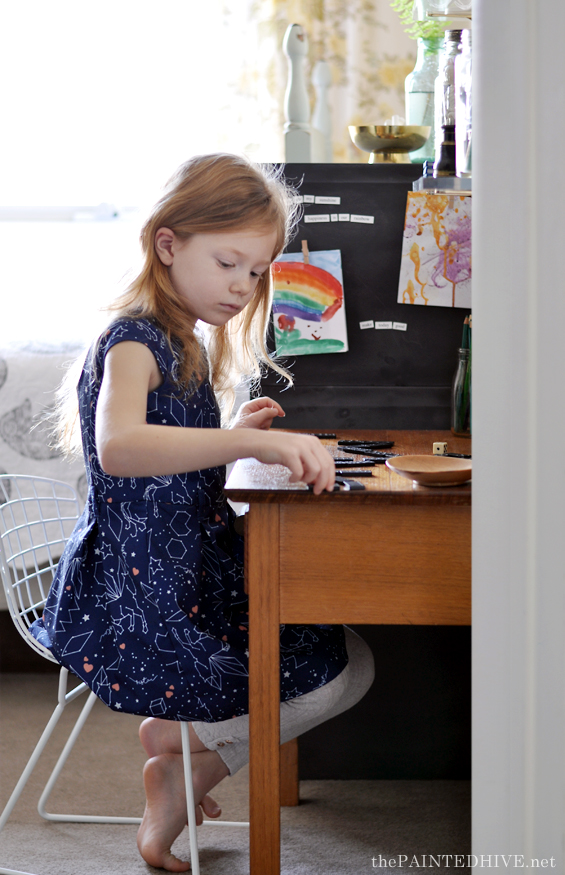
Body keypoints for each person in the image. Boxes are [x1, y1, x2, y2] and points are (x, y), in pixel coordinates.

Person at [31, 153, 374, 872]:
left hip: (187, 572)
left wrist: (230, 427)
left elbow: (168, 468)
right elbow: (121, 447)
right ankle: (185, 764)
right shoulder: (132, 339)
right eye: (228, 263)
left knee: (342, 657)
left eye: (256, 272)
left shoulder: (184, 340)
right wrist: (250, 437)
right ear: (167, 243)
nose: (243, 287)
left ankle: (180, 750)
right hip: (143, 596)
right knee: (338, 671)